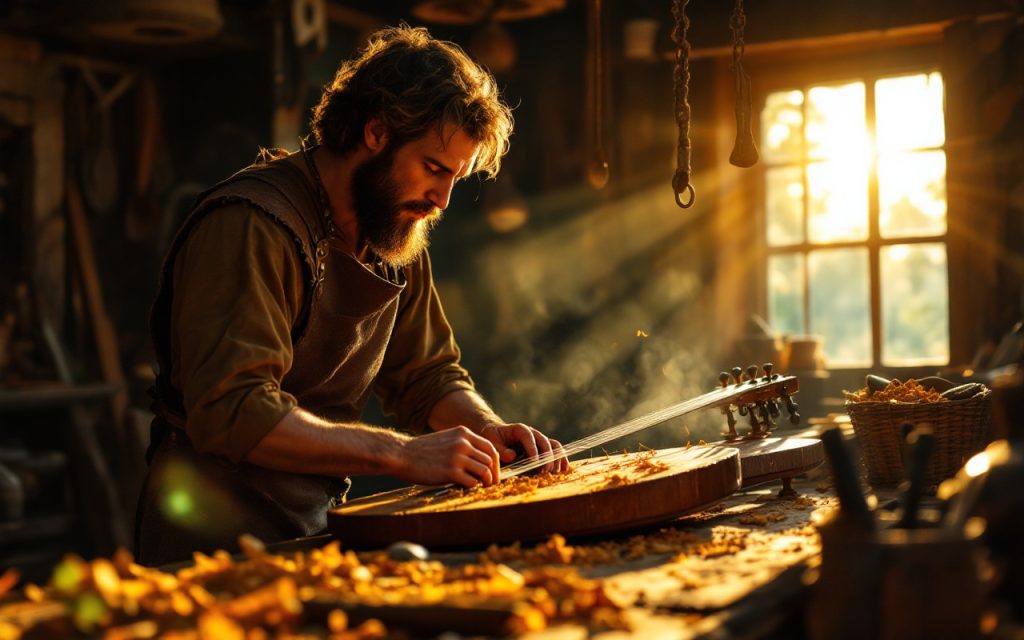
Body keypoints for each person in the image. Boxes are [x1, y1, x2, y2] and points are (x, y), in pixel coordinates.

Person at [136, 25, 567, 566]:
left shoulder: (394, 232)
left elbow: (427, 376)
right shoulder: (252, 224)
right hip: (207, 539)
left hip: (314, 526)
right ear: (375, 132)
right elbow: (235, 411)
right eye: (434, 169)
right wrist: (402, 454)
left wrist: (486, 430)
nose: (442, 200)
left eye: (456, 177)